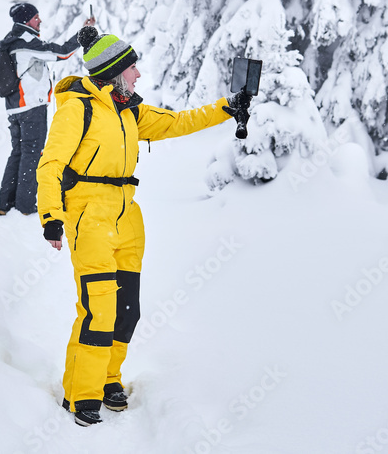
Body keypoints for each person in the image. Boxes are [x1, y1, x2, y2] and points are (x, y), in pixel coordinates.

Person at [36, 26, 252, 427]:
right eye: (132, 67)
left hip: (127, 218)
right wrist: (52, 217)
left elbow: (177, 122)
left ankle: (108, 380)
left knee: (126, 312)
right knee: (97, 311)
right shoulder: (77, 108)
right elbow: (50, 166)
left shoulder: (130, 109)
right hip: (89, 216)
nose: (138, 75)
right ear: (115, 71)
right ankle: (81, 393)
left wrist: (228, 106)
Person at [0, 2, 95, 216]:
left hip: (16, 108)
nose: (39, 21)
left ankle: (6, 204)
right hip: (31, 107)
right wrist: (84, 34)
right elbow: (62, 53)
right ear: (25, 21)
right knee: (33, 154)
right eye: (35, 17)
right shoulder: (26, 41)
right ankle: (24, 207)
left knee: (19, 152)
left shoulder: (12, 42)